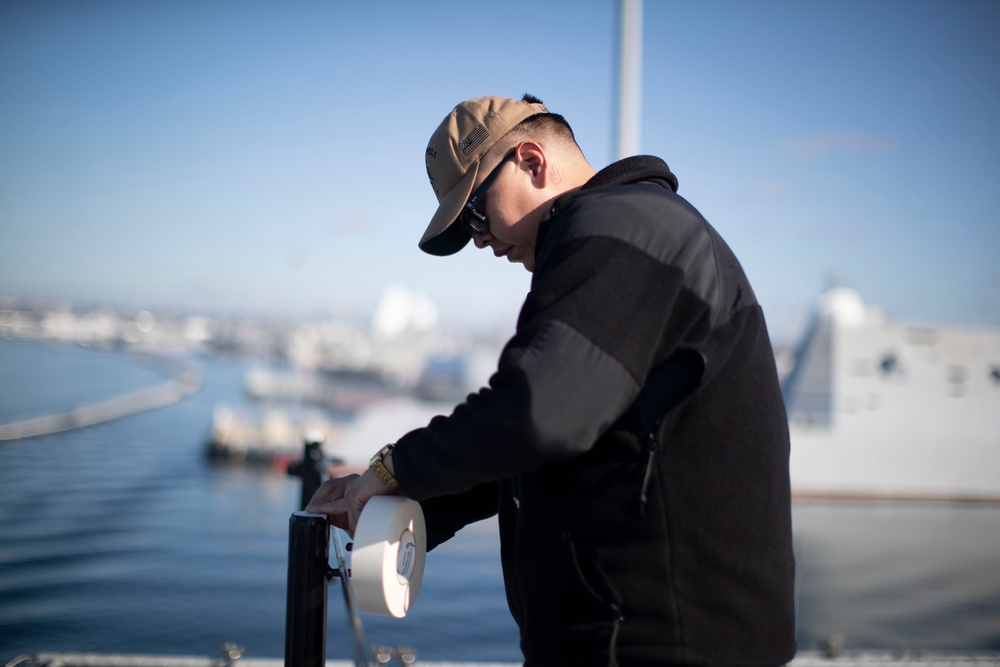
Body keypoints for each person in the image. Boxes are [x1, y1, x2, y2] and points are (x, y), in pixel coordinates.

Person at [307, 94, 797, 667]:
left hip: (659, 647)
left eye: (475, 214)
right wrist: (400, 494)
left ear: (533, 162)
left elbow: (539, 411)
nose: (482, 241)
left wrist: (399, 465)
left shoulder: (621, 228)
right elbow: (543, 446)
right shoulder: (632, 235)